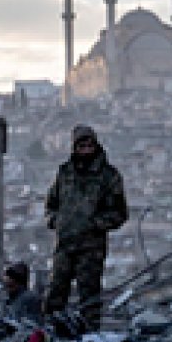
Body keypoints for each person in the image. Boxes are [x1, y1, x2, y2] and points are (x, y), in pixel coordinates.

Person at [43, 124, 127, 330]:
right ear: (75, 147)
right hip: (65, 243)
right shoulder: (65, 173)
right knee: (56, 292)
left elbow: (119, 213)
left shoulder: (108, 176)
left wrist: (94, 224)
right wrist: (56, 221)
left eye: (90, 145)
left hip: (91, 247)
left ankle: (89, 337)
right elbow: (51, 203)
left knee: (89, 296)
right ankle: (51, 333)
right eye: (82, 146)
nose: (86, 150)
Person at [2, 262, 43, 326]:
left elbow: (34, 323)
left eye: (11, 286)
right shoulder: (9, 298)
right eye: (7, 286)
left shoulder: (30, 298)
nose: (7, 289)